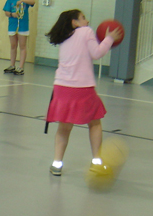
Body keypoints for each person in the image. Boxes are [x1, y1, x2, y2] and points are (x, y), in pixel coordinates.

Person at [44, 9, 123, 176]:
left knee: (64, 127)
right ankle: (96, 161)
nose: (87, 21)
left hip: (61, 87)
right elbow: (97, 53)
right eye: (83, 18)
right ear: (75, 22)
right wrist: (109, 39)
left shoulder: (64, 37)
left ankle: (57, 163)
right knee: (94, 123)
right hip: (82, 88)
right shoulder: (85, 31)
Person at [3, 0, 35, 75]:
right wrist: (12, 14)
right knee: (13, 45)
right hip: (13, 25)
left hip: (23, 26)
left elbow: (33, 2)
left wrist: (23, 1)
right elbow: (6, 12)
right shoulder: (10, 0)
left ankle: (20, 67)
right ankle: (12, 65)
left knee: (22, 45)